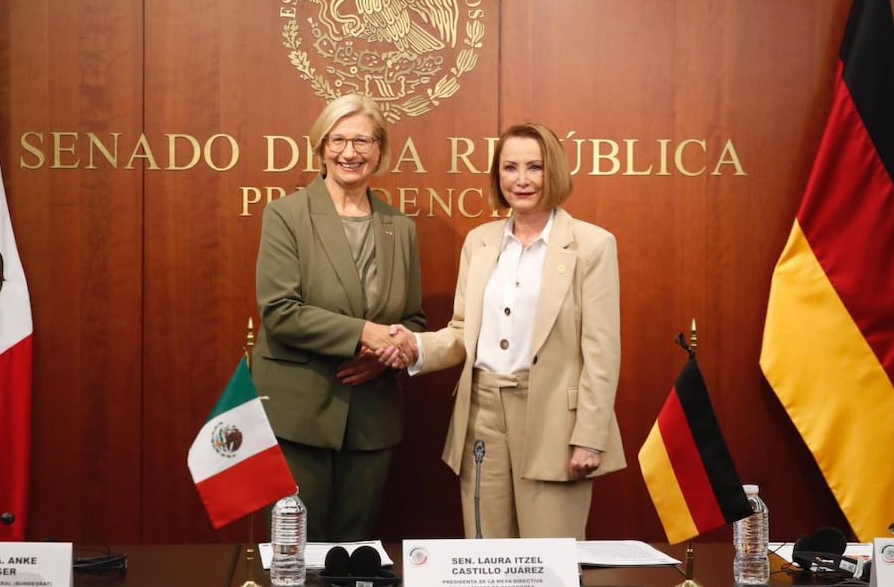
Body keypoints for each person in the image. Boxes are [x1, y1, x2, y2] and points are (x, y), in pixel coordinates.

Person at [380, 122, 625, 539]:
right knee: (486, 556)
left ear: (554, 172)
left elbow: (602, 352)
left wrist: (590, 436)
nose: (521, 179)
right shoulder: (480, 242)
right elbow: (463, 331)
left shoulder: (592, 245)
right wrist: (414, 345)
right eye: (510, 167)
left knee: (548, 561)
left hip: (555, 423)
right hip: (482, 416)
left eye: (535, 167)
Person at [250, 93, 424, 542]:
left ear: (380, 150)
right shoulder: (286, 215)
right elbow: (280, 311)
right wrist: (365, 333)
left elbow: (413, 321)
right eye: (338, 140)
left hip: (371, 417)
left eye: (363, 141)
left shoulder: (400, 228)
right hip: (298, 415)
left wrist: (385, 358)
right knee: (295, 553)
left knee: (353, 555)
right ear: (321, 147)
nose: (350, 152)